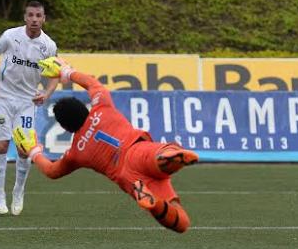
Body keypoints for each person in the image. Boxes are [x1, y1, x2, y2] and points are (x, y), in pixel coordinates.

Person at [12, 57, 198, 233]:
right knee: (160, 152)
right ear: (84, 108)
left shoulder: (76, 152)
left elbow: (52, 171)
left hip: (129, 177)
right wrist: (67, 72)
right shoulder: (102, 106)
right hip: (136, 150)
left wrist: (33, 151)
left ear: (66, 128)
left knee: (182, 223)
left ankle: (156, 204)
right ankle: (168, 157)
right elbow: (93, 84)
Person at [0, 0, 59, 215]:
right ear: (25, 17)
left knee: (24, 150)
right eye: (31, 15)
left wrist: (47, 93)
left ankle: (18, 191)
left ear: (44, 19)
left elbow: (56, 73)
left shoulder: (48, 46)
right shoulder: (10, 36)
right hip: (4, 97)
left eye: (38, 16)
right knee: (1, 146)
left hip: (27, 101)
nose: (34, 19)